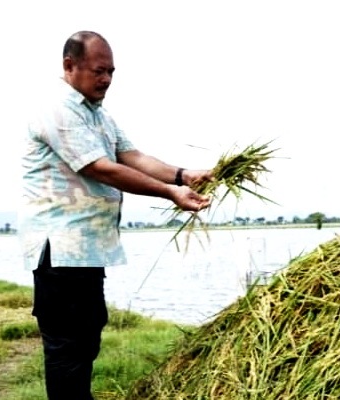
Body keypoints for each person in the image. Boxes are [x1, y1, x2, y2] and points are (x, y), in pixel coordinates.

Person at [17, 30, 212, 400]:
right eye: (98, 71)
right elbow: (102, 168)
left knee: (87, 337)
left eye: (111, 71)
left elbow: (132, 156)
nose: (106, 79)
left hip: (88, 249)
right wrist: (171, 193)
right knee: (67, 348)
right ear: (69, 66)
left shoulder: (98, 115)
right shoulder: (57, 109)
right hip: (60, 249)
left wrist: (182, 175)